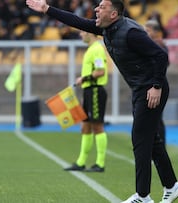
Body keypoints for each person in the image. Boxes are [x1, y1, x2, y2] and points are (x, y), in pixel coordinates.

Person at [26, 0, 178, 202]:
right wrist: (46, 9)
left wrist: (156, 86)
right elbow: (76, 21)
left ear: (113, 14)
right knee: (150, 140)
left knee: (140, 140)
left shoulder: (131, 33)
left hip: (150, 89)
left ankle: (143, 196)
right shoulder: (106, 28)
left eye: (101, 7)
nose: (96, 9)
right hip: (140, 89)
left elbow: (161, 55)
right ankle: (172, 185)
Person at [64, 30, 108, 173]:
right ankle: (81, 162)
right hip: (89, 91)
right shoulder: (92, 49)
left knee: (97, 126)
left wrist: (83, 79)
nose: (81, 35)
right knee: (85, 127)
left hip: (95, 90)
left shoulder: (96, 49)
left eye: (83, 32)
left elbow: (100, 71)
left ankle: (100, 164)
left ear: (90, 33)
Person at [143, 19, 167, 145]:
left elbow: (164, 63)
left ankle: (160, 143)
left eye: (148, 30)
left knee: (157, 118)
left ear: (156, 32)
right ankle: (153, 144)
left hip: (157, 86)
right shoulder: (146, 44)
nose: (145, 33)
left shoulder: (160, 45)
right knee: (151, 118)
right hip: (148, 84)